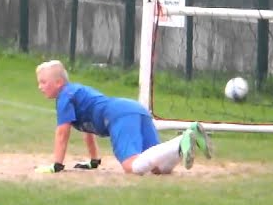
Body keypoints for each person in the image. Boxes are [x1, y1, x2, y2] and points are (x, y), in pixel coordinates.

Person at [34, 60, 212, 175]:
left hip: (119, 114)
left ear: (58, 83)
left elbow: (62, 133)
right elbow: (86, 129)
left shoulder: (65, 96)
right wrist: (94, 161)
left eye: (43, 82)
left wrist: (56, 165)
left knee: (131, 166)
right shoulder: (75, 92)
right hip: (134, 109)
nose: (40, 87)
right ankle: (186, 139)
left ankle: (183, 139)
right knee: (159, 168)